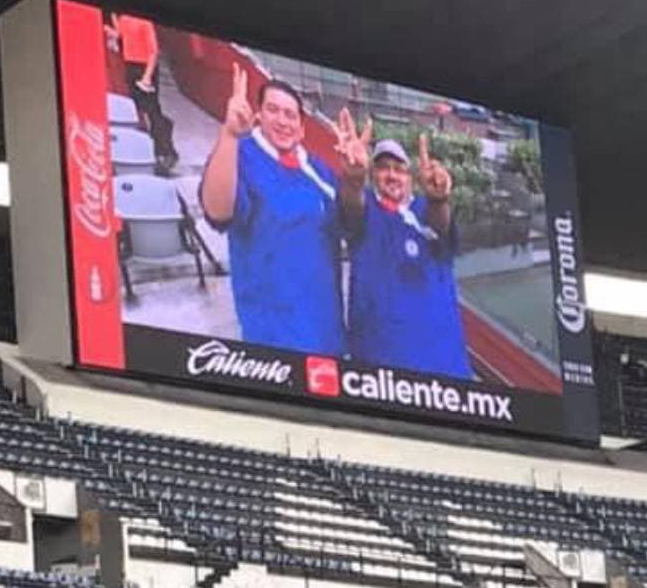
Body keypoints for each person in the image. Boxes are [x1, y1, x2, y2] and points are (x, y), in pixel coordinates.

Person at [199, 63, 345, 355]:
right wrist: (228, 135)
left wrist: (354, 177)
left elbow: (352, 222)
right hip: (272, 328)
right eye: (273, 110)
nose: (282, 121)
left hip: (324, 324)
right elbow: (218, 211)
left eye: (291, 115)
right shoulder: (242, 156)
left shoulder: (317, 170)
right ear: (258, 116)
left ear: (302, 129)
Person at [336, 116, 472, 379]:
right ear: (373, 174)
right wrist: (353, 179)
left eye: (399, 169)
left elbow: (441, 227)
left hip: (443, 365)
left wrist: (440, 199)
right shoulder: (367, 211)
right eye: (383, 168)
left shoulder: (426, 208)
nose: (392, 175)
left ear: (410, 177)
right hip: (381, 369)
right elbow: (352, 208)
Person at [108, 12, 178, 174]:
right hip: (131, 67)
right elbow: (121, 36)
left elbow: (153, 51)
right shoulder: (124, 19)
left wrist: (147, 77)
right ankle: (155, 144)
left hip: (145, 68)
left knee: (152, 110)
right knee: (139, 108)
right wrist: (111, 28)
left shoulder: (144, 22)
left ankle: (166, 152)